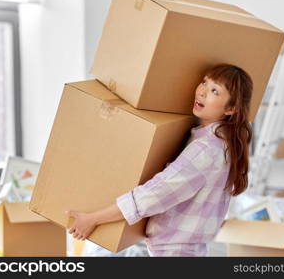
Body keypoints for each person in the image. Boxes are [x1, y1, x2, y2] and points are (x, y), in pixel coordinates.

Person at [65, 63, 253, 257]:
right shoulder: (225, 143)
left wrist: (94, 219)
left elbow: (153, 195)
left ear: (231, 109)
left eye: (215, 91)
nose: (203, 91)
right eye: (204, 82)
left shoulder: (206, 150)